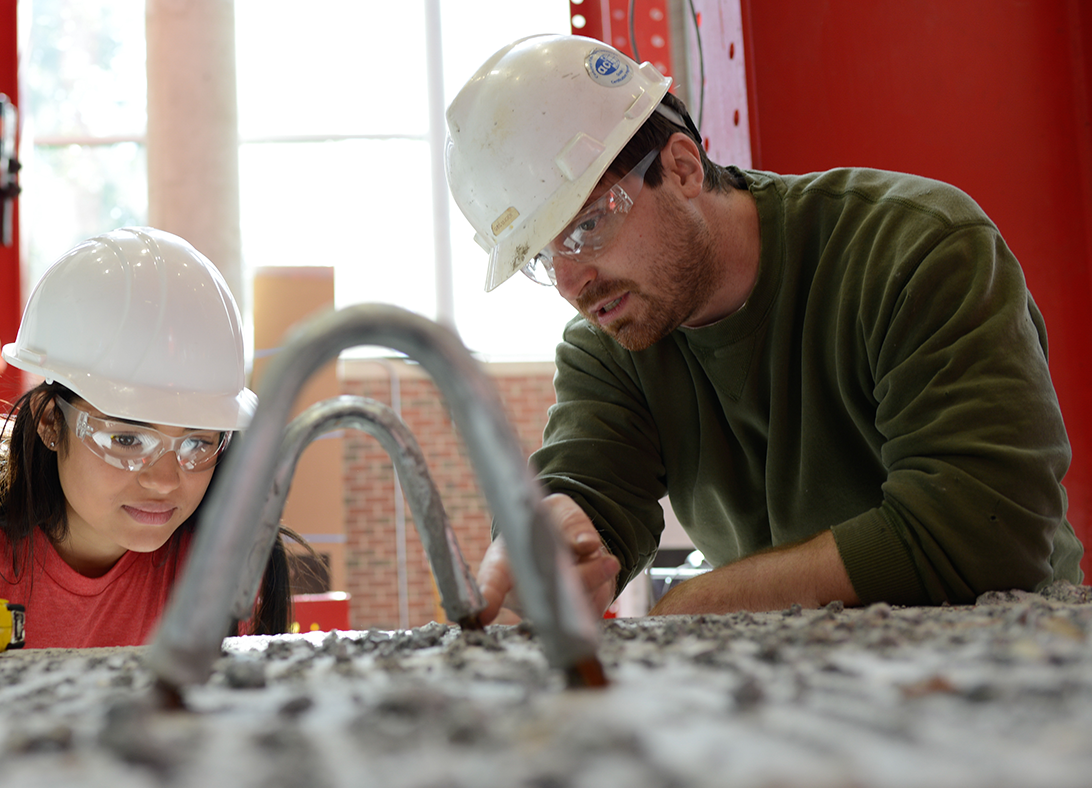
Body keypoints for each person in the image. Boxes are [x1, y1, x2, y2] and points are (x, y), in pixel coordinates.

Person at [444, 35, 1083, 620]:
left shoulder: (913, 251)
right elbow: (586, 487)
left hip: (1013, 655)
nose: (570, 283)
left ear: (683, 168)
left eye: (586, 226)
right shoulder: (612, 343)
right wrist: (551, 540)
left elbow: (984, 531)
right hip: (800, 675)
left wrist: (700, 601)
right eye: (542, 257)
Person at [0, 227, 292, 655]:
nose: (166, 480)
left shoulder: (218, 560)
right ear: (48, 421)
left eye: (197, 444)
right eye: (128, 439)